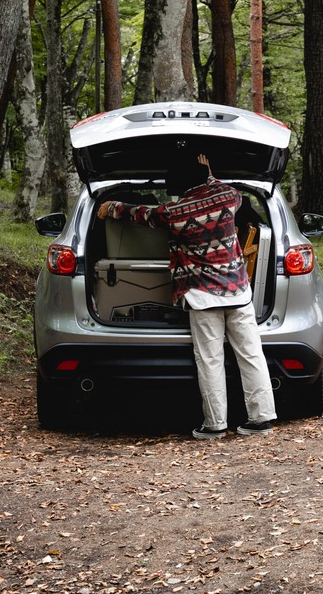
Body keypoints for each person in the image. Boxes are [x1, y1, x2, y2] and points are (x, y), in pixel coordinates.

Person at [97, 151, 277, 439]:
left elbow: (141, 214)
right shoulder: (228, 197)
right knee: (251, 354)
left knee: (210, 359)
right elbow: (228, 193)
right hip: (238, 292)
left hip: (202, 296)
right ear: (204, 177)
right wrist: (210, 175)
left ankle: (215, 425)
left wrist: (113, 207)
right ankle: (261, 418)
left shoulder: (175, 212)